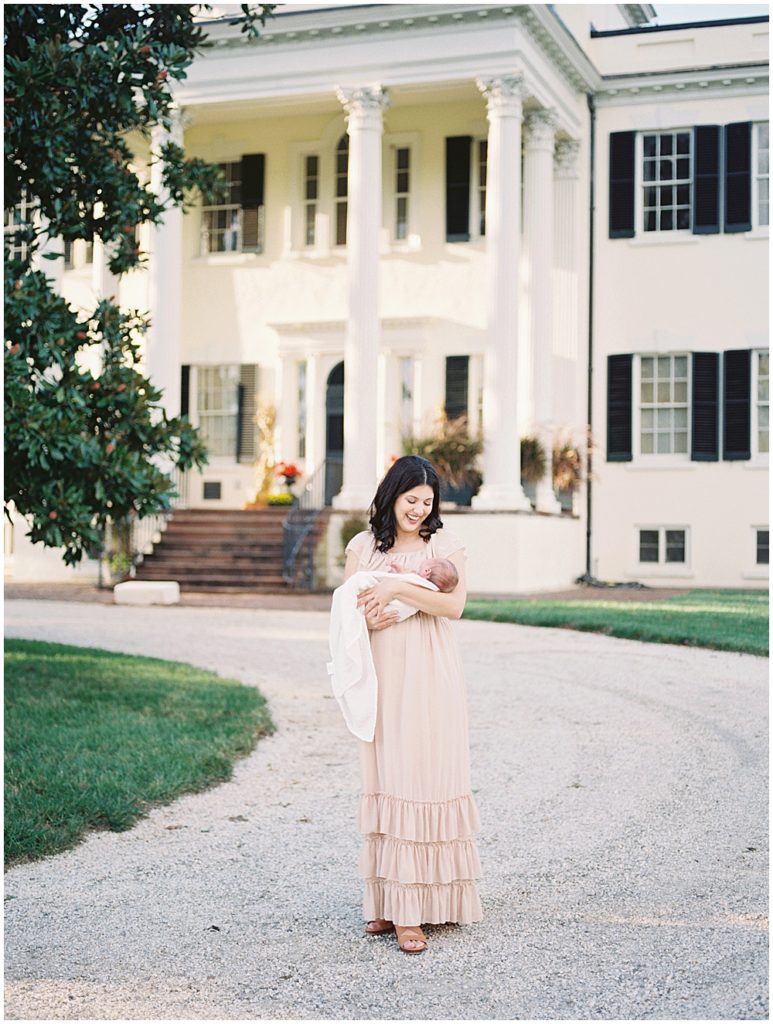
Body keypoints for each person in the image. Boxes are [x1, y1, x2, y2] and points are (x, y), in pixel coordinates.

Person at [341, 454, 483, 955]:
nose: (419, 510)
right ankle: (386, 902)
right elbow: (344, 607)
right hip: (382, 671)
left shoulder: (444, 545)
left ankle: (415, 912)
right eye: (411, 500)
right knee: (388, 776)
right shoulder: (362, 546)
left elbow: (453, 605)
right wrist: (366, 620)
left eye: (427, 501)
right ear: (392, 496)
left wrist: (401, 587)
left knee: (425, 774)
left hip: (430, 669)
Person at [327, 557, 460, 743]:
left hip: (419, 656)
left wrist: (394, 587)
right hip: (383, 653)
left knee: (408, 720)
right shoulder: (362, 547)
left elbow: (454, 608)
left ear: (427, 572)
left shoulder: (419, 580)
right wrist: (362, 621)